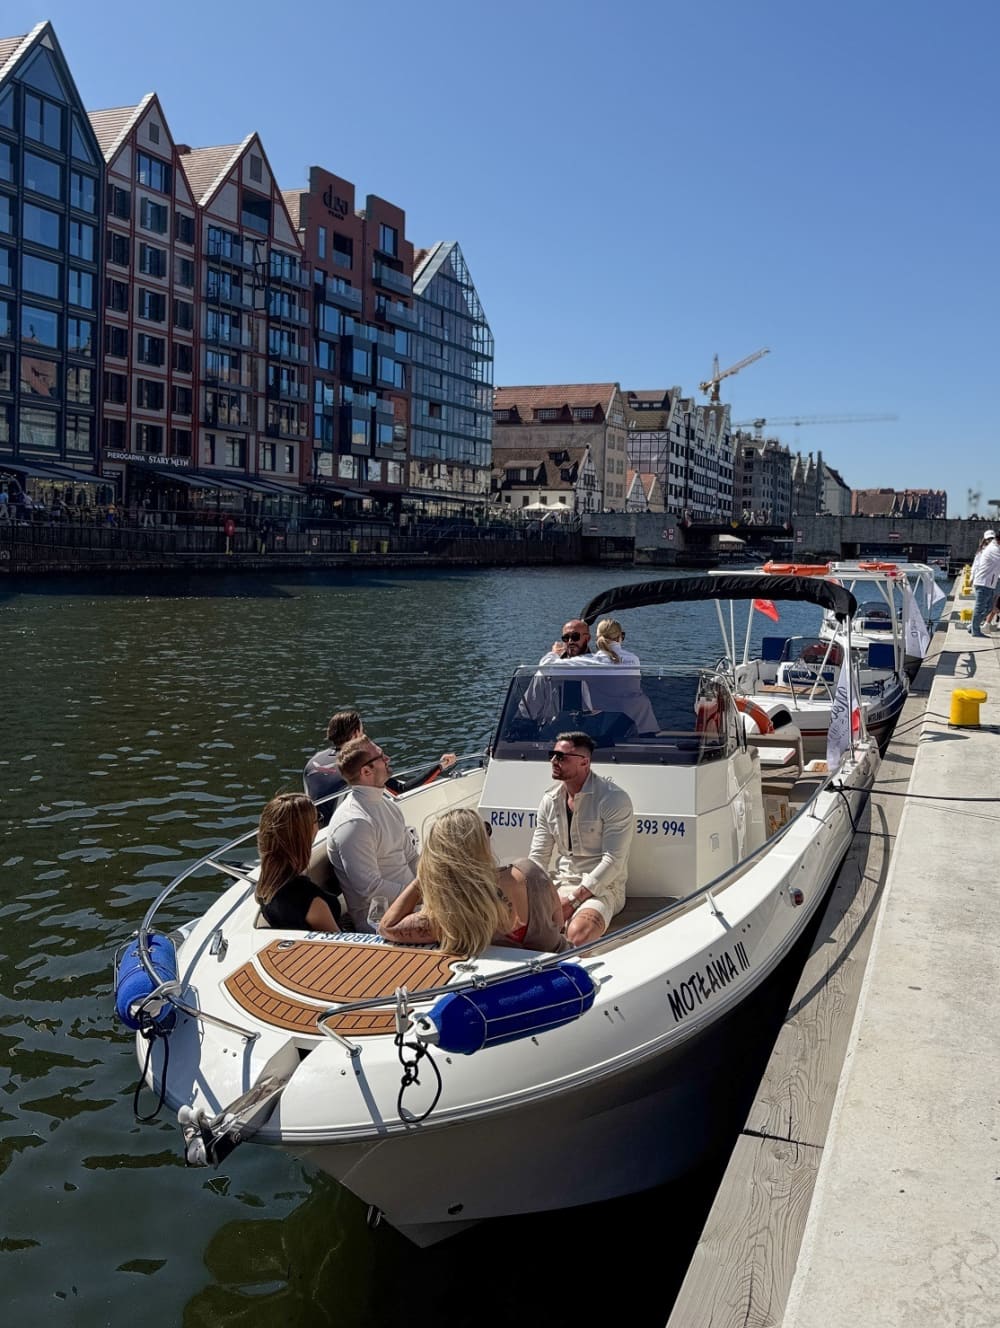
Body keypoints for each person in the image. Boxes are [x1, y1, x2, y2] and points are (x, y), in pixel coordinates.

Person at [378, 808, 567, 955]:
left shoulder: (448, 916)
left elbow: (388, 926)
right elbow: (558, 923)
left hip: (500, 985)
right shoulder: (530, 873)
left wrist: (424, 876)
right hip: (559, 969)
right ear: (481, 844)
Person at [529, 731, 634, 946]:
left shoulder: (613, 799)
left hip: (604, 889)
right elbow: (538, 857)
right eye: (552, 755)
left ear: (584, 762)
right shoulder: (549, 800)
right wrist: (535, 895)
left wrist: (573, 901)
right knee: (513, 924)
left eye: (561, 757)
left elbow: (613, 861)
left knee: (578, 935)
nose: (553, 761)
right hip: (560, 883)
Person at [326, 736, 420, 929]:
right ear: (366, 771)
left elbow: (411, 857)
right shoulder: (354, 822)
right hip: (382, 920)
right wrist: (420, 893)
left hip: (414, 904)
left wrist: (432, 886)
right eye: (381, 756)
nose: (388, 759)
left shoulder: (388, 806)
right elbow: (370, 889)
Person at [304, 710, 457, 825]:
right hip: (345, 824)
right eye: (363, 732)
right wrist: (439, 766)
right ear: (356, 734)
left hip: (317, 828)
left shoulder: (312, 762)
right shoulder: (357, 763)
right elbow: (400, 790)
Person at [255, 792, 342, 931]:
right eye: (317, 819)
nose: (318, 825)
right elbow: (338, 946)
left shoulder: (266, 885)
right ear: (304, 833)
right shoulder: (311, 901)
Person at [970, 530, 1000, 638]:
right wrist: (971, 577)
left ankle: (973, 625)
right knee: (980, 608)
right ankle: (975, 631)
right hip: (983, 583)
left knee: (988, 608)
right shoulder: (994, 549)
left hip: (990, 583)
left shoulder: (995, 547)